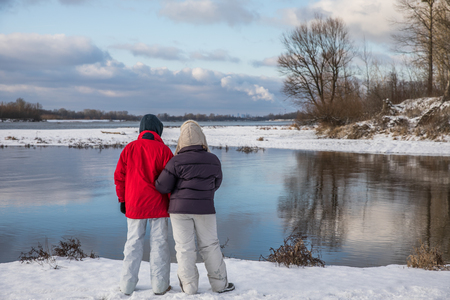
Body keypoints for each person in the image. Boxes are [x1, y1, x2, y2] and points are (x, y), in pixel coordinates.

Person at [155, 120, 235, 295]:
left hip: (179, 210)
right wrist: (204, 193)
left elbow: (162, 186)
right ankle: (220, 285)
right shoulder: (213, 160)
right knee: (211, 246)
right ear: (202, 138)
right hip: (205, 209)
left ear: (181, 140)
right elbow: (217, 183)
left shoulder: (176, 161)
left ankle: (190, 287)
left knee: (184, 248)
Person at [114, 114, 173, 296]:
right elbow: (171, 180)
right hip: (159, 206)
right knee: (160, 245)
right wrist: (172, 202)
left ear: (141, 130)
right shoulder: (164, 150)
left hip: (134, 205)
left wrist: (122, 200)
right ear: (158, 130)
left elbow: (119, 177)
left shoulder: (129, 149)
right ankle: (160, 285)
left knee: (132, 243)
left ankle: (127, 285)